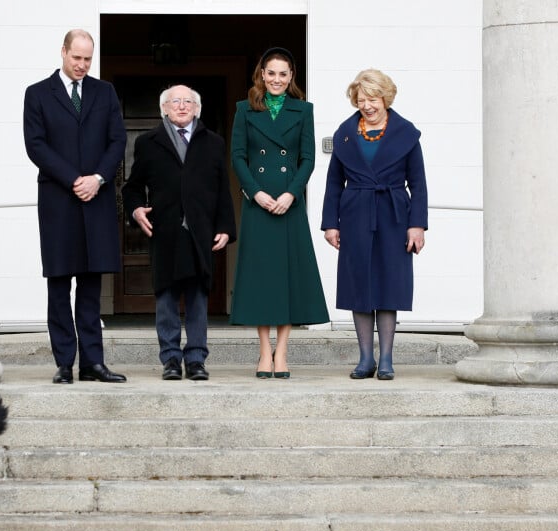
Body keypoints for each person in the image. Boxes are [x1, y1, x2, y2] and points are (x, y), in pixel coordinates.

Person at [23, 29, 127, 384]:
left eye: (87, 59)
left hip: (95, 200)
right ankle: (65, 363)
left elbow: (117, 140)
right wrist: (74, 180)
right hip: (58, 202)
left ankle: (93, 363)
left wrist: (97, 178)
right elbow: (36, 146)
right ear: (63, 52)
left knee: (90, 284)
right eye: (76, 57)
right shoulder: (37, 94)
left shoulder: (105, 92)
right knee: (58, 284)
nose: (82, 65)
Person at [122, 85, 236, 381]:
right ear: (165, 109)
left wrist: (225, 226)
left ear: (197, 109)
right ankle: (171, 359)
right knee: (167, 297)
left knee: (198, 297)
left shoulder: (213, 143)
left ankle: (196, 358)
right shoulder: (148, 142)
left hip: (200, 232)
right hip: (166, 232)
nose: (182, 106)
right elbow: (132, 187)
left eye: (188, 102)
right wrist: (135, 210)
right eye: (176, 102)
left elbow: (222, 189)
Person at [321, 69, 428, 380]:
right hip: (355, 214)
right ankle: (365, 358)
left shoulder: (406, 134)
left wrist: (416, 225)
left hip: (394, 215)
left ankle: (387, 359)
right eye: (360, 99)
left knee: (388, 285)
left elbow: (418, 184)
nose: (366, 105)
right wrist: (331, 224)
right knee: (359, 285)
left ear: (386, 98)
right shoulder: (345, 134)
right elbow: (333, 183)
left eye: (372, 99)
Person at [229, 47, 329, 379]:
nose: (276, 80)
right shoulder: (244, 109)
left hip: (289, 204)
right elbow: (239, 156)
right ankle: (263, 353)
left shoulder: (304, 110)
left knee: (287, 280)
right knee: (261, 280)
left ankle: (282, 352)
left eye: (283, 74)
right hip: (258, 204)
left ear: (291, 77)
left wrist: (291, 192)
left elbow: (308, 159)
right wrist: (255, 192)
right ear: (261, 74)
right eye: (270, 73)